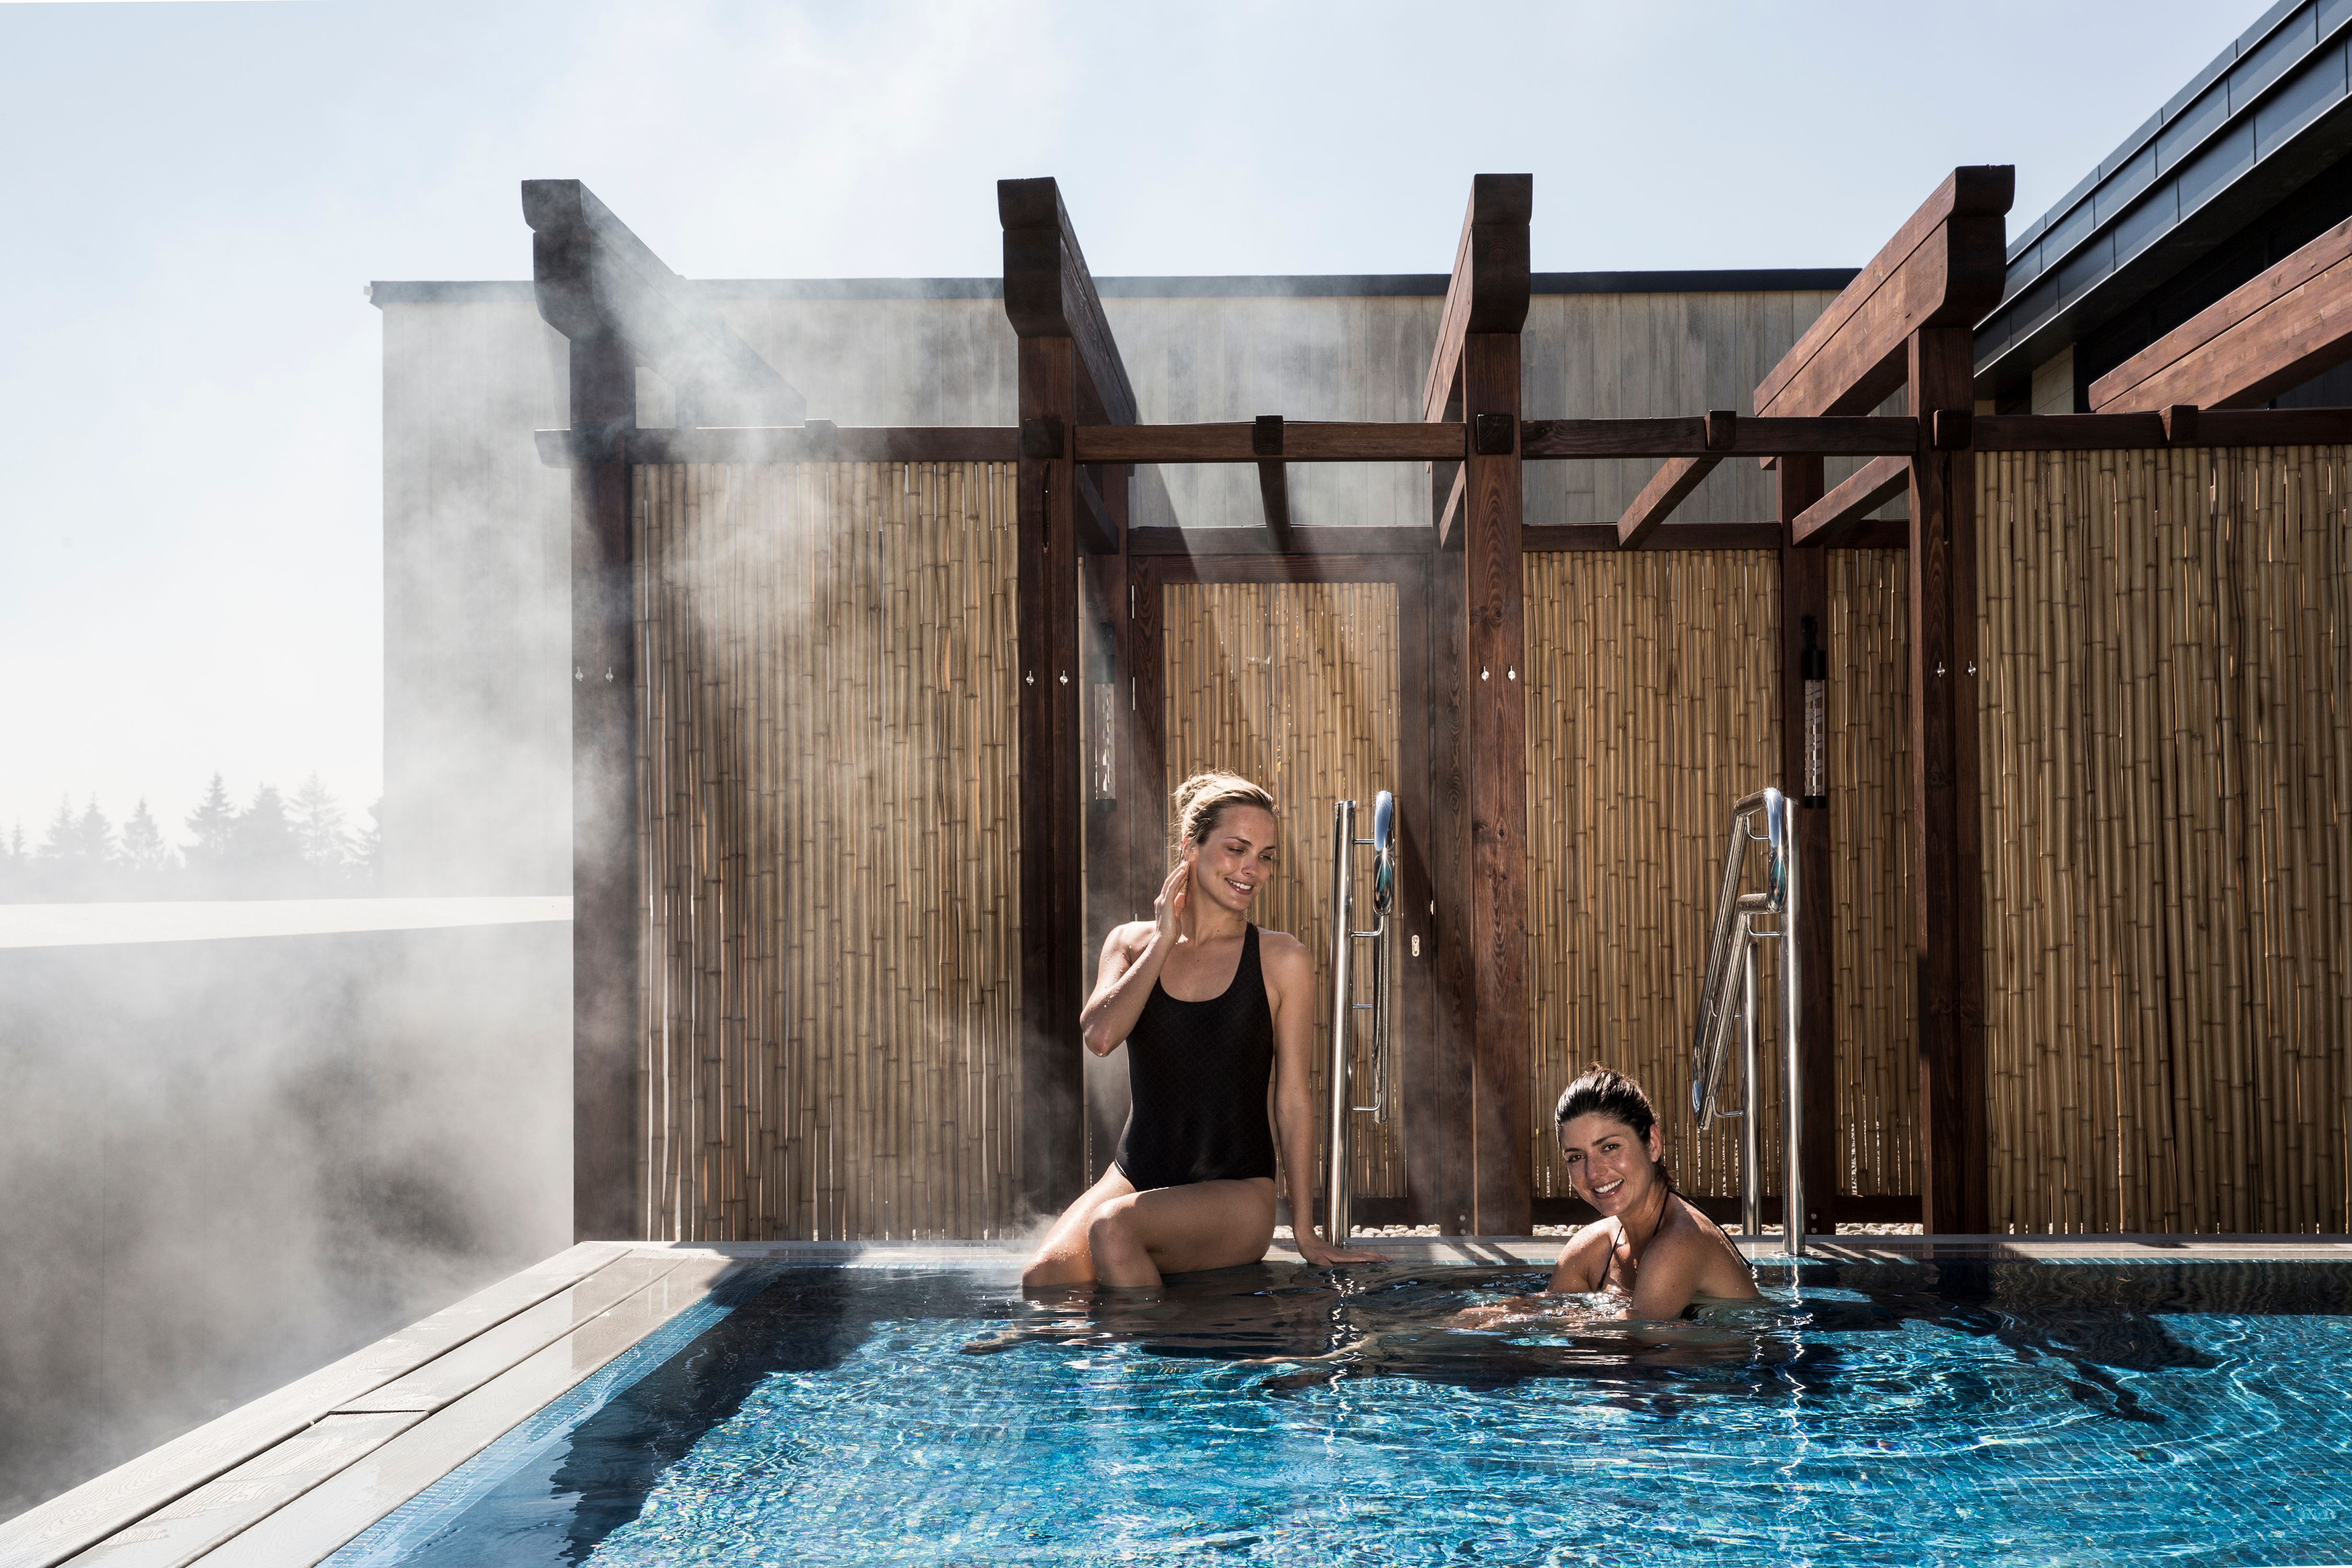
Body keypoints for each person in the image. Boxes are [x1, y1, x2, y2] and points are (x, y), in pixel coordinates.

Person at [1022, 771, 1380, 1288]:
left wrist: (1306, 1232)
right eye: (1237, 849)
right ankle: (1136, 1336)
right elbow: (1100, 1037)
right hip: (1135, 1177)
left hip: (1236, 1192)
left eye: (1266, 856)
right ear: (1191, 848)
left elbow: (1293, 1101)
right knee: (1043, 1280)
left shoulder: (1282, 959)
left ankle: (1151, 1345)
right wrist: (1164, 940)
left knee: (1114, 1229)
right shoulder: (1130, 943)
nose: (1252, 869)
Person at [1539, 1065, 1759, 1318]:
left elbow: (1636, 1337)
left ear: (1653, 1144)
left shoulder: (1680, 1243)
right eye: (1576, 1157)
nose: (1593, 1173)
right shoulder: (1593, 1248)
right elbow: (1546, 1312)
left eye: (1610, 1147)